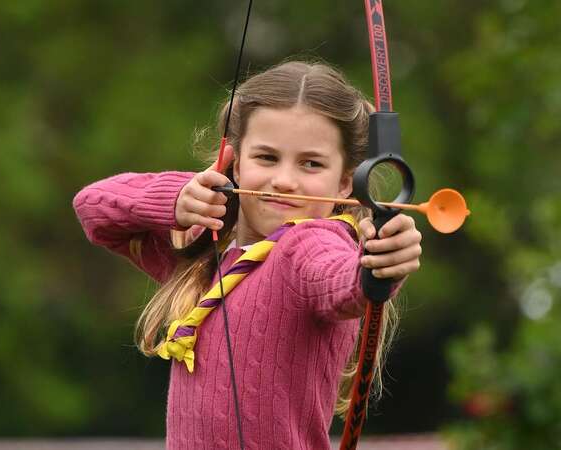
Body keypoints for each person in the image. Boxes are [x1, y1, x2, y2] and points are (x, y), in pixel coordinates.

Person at [73, 61, 423, 449]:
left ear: (344, 183)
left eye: (311, 163)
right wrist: (178, 197)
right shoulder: (203, 254)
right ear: (233, 161)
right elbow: (93, 208)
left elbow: (342, 281)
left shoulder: (308, 245)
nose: (285, 180)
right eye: (267, 158)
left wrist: (381, 264)